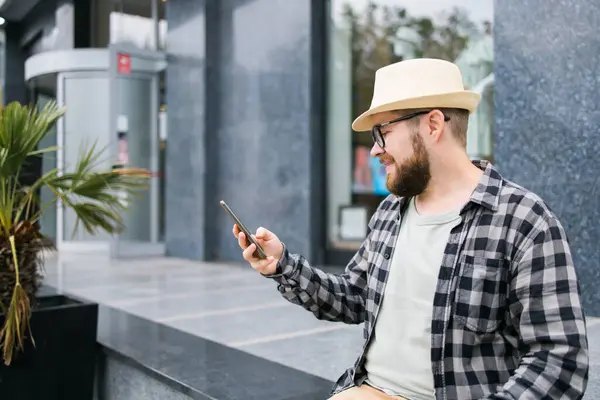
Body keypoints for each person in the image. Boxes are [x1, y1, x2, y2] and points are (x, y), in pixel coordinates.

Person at [232, 58, 589, 400]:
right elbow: (355, 298)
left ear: (433, 125)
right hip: (367, 390)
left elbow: (558, 361)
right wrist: (282, 265)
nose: (374, 150)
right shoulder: (390, 211)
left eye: (383, 132)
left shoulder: (524, 221)